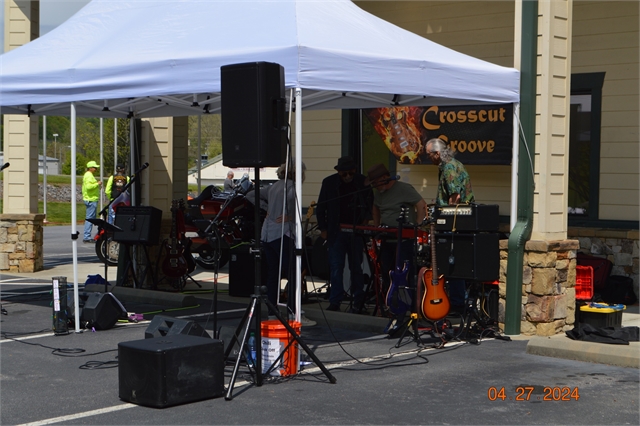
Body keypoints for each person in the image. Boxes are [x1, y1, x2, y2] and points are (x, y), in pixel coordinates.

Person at [365, 163, 427, 327]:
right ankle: (392, 305)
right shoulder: (378, 194)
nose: (375, 188)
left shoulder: (404, 189)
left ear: (385, 179)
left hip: (405, 239)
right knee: (387, 273)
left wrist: (418, 226)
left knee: (407, 274)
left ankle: (411, 308)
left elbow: (421, 204)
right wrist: (377, 227)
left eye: (376, 183)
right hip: (387, 239)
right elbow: (376, 208)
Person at [261, 163, 316, 327]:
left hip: (267, 233)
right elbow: (294, 209)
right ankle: (294, 312)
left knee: (273, 274)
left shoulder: (272, 187)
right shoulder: (293, 189)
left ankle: (272, 312)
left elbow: (250, 194)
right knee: (293, 273)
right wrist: (290, 217)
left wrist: (266, 209)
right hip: (283, 234)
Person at [316, 156, 372, 313]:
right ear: (338, 172)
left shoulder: (362, 182)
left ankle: (358, 301)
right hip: (336, 231)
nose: (347, 177)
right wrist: (323, 229)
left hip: (356, 231)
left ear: (354, 171)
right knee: (336, 267)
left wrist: (365, 223)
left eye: (350, 173)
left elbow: (369, 204)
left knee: (356, 268)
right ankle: (335, 301)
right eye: (344, 174)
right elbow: (321, 207)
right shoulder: (329, 182)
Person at [425, 137, 475, 310]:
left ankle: (456, 303)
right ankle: (455, 300)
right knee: (452, 262)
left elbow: (455, 197)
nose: (428, 158)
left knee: (452, 263)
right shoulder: (449, 165)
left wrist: (446, 219)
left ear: (437, 154)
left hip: (455, 223)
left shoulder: (449, 167)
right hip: (457, 221)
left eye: (429, 155)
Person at [82, 161, 102, 243]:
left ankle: (88, 235)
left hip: (91, 198)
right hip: (91, 199)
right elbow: (89, 187)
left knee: (91, 218)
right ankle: (87, 236)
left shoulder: (88, 175)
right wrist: (97, 184)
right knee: (90, 218)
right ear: (90, 168)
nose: (96, 169)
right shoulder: (89, 176)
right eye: (94, 167)